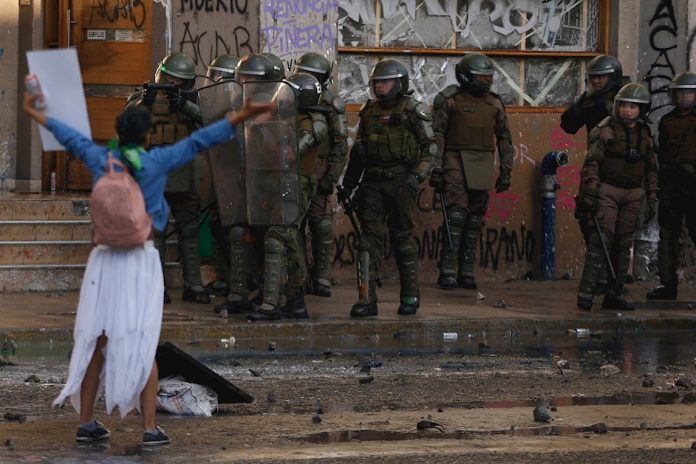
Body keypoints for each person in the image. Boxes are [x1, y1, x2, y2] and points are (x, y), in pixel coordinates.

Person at [23, 90, 273, 444]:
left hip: (103, 262)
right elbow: (202, 139)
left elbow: (69, 136)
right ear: (146, 136)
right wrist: (243, 114)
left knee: (98, 341)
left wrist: (34, 110)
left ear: (117, 131)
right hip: (139, 261)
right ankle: (149, 428)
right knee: (143, 343)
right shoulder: (157, 161)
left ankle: (86, 422)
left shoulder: (101, 158)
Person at [338, 59, 438, 317]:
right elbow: (358, 153)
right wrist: (347, 186)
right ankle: (366, 299)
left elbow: (431, 150)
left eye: (385, 81)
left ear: (399, 83)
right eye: (376, 82)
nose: (380, 86)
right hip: (371, 183)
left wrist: (416, 177)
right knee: (366, 243)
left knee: (402, 238)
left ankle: (410, 297)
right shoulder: (369, 112)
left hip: (401, 182)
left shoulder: (413, 110)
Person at [128, 52, 209, 305]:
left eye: (179, 82)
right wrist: (146, 102)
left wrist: (182, 104)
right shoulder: (142, 95)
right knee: (156, 233)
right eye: (170, 79)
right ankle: (157, 286)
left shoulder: (191, 101)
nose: (173, 84)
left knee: (190, 231)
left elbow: (208, 121)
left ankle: (194, 285)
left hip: (184, 176)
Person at [247, 72, 330, 321]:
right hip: (276, 183)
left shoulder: (314, 123)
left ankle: (270, 305)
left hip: (296, 186)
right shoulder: (285, 117)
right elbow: (253, 135)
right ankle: (296, 303)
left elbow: (291, 154)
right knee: (292, 244)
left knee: (275, 237)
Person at [432, 53, 513, 290]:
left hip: (482, 161)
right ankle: (448, 270)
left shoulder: (494, 103)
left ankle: (466, 271)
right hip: (454, 160)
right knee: (456, 216)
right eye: (481, 78)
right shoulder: (450, 100)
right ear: (466, 77)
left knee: (475, 219)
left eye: (489, 78)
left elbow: (505, 139)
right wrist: (437, 168)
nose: (486, 82)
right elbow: (436, 135)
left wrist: (506, 172)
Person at [576, 83, 658, 311]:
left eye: (633, 106)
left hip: (633, 194)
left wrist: (652, 197)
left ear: (642, 110)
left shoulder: (646, 134)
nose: (627, 111)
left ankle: (615, 292)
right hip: (608, 190)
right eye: (623, 105)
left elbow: (652, 169)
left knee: (624, 244)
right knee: (601, 240)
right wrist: (591, 192)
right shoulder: (605, 130)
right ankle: (586, 293)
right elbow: (591, 163)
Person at [213, 54, 278, 316]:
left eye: (250, 78)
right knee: (238, 234)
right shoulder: (235, 104)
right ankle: (238, 294)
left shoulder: (278, 105)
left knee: (271, 241)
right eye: (242, 77)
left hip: (270, 183)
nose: (244, 82)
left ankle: (271, 295)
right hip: (243, 180)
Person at [293, 52, 348, 297]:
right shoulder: (288, 98)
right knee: (294, 226)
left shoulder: (331, 104)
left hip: (321, 169)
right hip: (295, 168)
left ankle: (322, 276)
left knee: (321, 225)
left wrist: (332, 177)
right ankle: (299, 275)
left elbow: (340, 145)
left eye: (314, 76)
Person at [646, 72, 696, 300]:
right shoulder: (667, 121)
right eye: (681, 92)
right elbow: (662, 155)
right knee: (667, 236)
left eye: (689, 92)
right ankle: (668, 284)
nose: (685, 97)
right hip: (672, 184)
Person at [203, 54, 240, 298]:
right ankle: (224, 277)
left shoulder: (236, 105)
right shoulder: (213, 103)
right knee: (218, 226)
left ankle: (238, 283)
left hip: (235, 177)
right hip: (219, 174)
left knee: (235, 232)